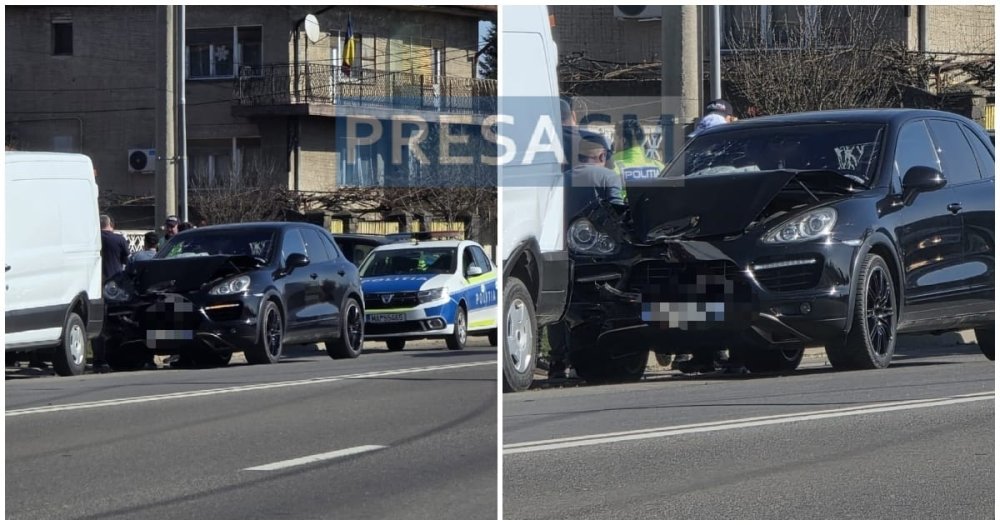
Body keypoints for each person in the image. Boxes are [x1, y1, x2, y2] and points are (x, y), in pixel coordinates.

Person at [611, 118, 666, 185]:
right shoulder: (659, 167)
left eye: (615, 139)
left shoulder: (611, 169)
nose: (613, 144)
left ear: (623, 141)